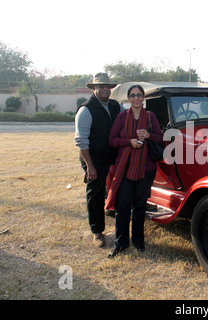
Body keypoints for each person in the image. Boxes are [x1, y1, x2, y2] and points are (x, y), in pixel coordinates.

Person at [105, 84, 163, 258]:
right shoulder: (122, 117)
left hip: (147, 169)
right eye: (133, 95)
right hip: (126, 168)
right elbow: (112, 140)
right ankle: (120, 243)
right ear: (129, 98)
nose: (136, 98)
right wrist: (129, 141)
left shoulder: (151, 117)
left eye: (139, 95)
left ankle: (138, 241)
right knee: (123, 207)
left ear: (143, 98)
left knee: (139, 207)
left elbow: (161, 139)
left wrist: (149, 135)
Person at [74, 73, 125, 247]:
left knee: (121, 188)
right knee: (95, 194)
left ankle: (117, 219)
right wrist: (90, 166)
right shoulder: (86, 109)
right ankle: (97, 231)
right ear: (94, 88)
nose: (105, 89)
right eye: (101, 86)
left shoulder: (116, 106)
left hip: (114, 155)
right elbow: (81, 141)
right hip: (94, 158)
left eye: (107, 86)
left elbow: (130, 119)